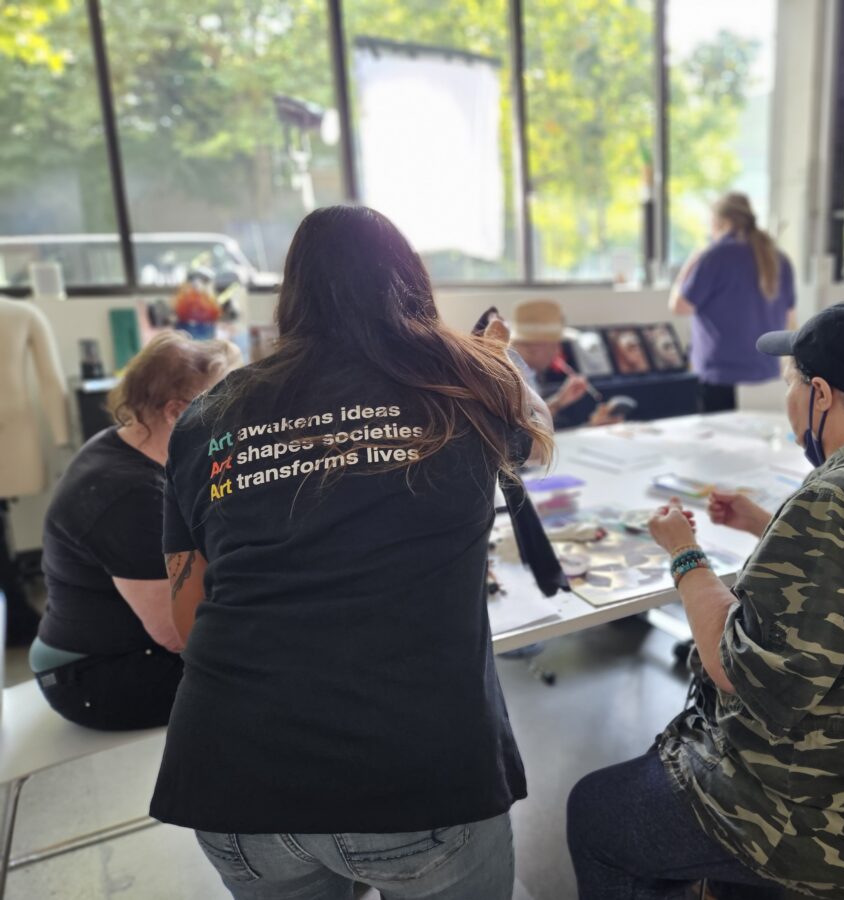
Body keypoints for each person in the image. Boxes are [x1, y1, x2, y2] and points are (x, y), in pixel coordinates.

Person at [151, 206, 553, 900]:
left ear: (291, 294)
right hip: (417, 772)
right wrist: (494, 353)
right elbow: (533, 438)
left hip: (234, 775)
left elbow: (188, 621)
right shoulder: (469, 383)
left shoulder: (209, 417)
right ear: (412, 281)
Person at [568, 303, 844, 899]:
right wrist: (769, 525)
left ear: (819, 394)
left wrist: (684, 554)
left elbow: (736, 672)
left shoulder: (837, 499)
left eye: (789, 384)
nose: (788, 399)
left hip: (836, 825)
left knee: (594, 812)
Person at [33, 332, 239, 730]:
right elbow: (177, 635)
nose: (231, 417)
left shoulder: (129, 444)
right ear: (177, 413)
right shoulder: (127, 493)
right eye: (222, 405)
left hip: (116, 651)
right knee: (278, 677)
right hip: (95, 676)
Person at [669, 192, 795, 413]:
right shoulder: (779, 258)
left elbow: (679, 306)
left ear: (720, 222)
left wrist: (687, 268)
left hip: (721, 376)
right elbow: (790, 319)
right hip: (767, 375)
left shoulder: (713, 257)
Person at [508, 299, 623, 427]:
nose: (557, 352)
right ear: (535, 346)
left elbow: (532, 422)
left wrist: (560, 401)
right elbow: (526, 431)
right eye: (555, 344)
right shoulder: (511, 377)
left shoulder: (525, 370)